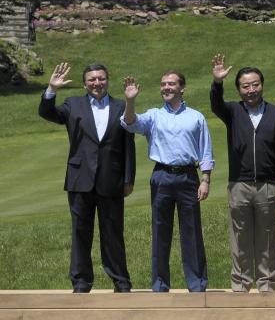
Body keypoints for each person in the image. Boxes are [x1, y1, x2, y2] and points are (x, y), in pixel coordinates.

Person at [38, 62, 136, 293]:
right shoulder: (73, 104)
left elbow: (128, 145)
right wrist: (51, 89)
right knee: (80, 233)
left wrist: (128, 178)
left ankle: (121, 281)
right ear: (85, 83)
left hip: (111, 180)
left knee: (113, 233)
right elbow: (47, 112)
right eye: (92, 79)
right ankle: (81, 282)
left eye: (101, 79)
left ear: (107, 81)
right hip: (80, 179)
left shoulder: (121, 105)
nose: (97, 83)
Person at [121, 70, 214, 292]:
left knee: (191, 231)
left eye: (171, 84)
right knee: (160, 230)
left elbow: (205, 150)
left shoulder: (196, 117)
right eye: (163, 84)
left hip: (188, 177)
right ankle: (160, 284)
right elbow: (130, 123)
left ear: (182, 88)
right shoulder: (154, 116)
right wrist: (130, 101)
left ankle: (197, 284)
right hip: (161, 176)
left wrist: (205, 179)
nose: (166, 87)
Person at [210, 54, 275, 293]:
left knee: (266, 238)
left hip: (267, 184)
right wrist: (217, 83)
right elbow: (216, 104)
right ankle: (241, 284)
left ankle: (267, 284)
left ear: (262, 85)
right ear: (239, 89)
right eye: (245, 86)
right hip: (239, 185)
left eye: (255, 84)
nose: (251, 90)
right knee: (240, 238)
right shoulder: (233, 111)